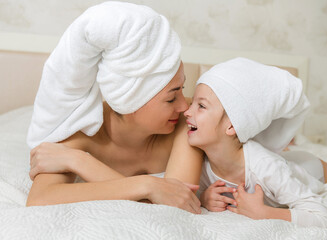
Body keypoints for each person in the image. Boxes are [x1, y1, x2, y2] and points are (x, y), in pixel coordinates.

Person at [26, 1, 203, 214]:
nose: (185, 105)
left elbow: (179, 202)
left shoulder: (191, 120)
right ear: (131, 101)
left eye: (182, 88)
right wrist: (147, 186)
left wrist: (79, 161)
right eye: (171, 98)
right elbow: (40, 198)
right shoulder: (80, 130)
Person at [183, 57, 327, 228]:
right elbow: (188, 192)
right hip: (282, 161)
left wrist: (264, 213)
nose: (187, 112)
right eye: (192, 103)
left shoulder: (267, 168)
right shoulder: (202, 166)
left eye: (201, 106)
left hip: (310, 169)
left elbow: (323, 218)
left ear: (231, 125)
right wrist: (204, 198)